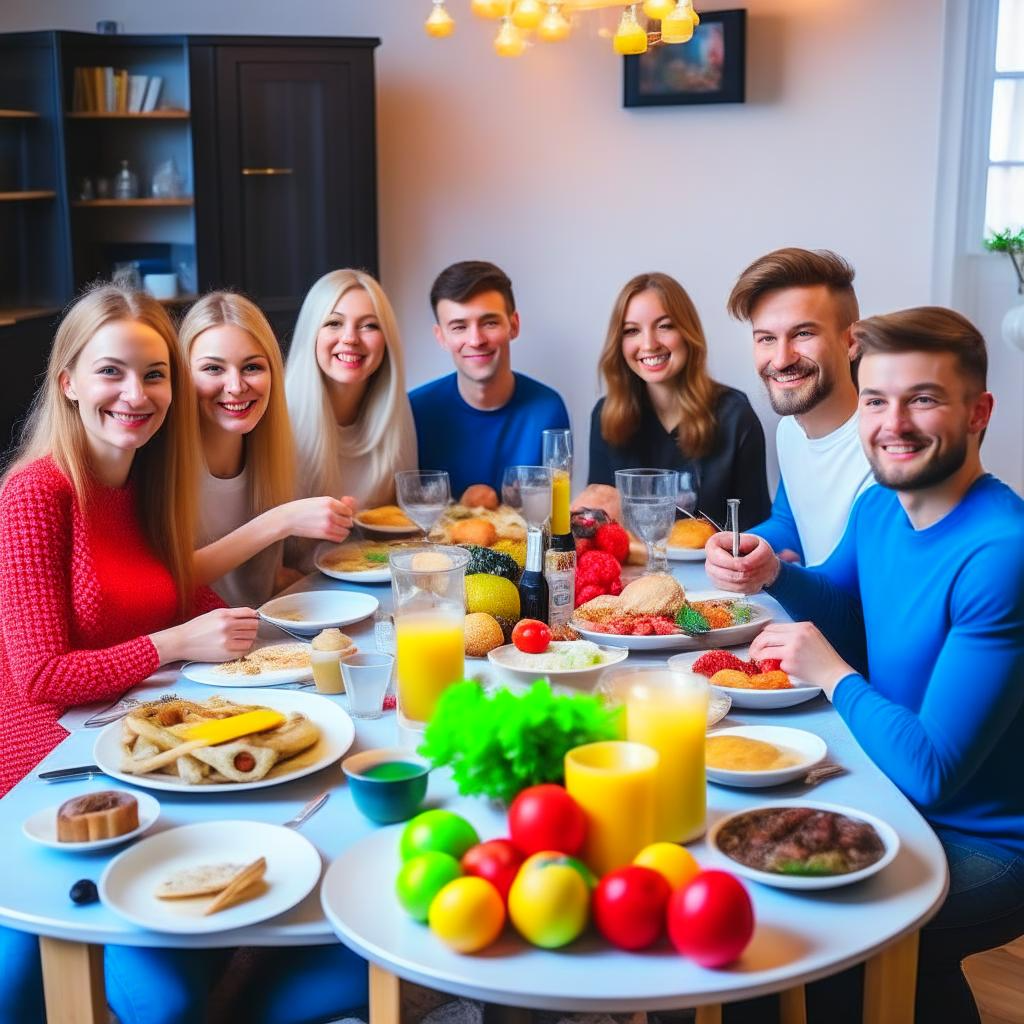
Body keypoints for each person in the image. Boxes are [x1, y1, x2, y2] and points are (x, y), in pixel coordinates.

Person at [710, 307, 1024, 1024]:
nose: (893, 423)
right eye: (877, 400)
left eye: (923, 398)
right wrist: (775, 574)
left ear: (978, 412)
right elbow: (845, 605)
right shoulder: (883, 505)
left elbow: (932, 768)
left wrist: (828, 670)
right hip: (896, 795)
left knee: (811, 938)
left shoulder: (1002, 553)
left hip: (992, 842)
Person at [0, 284, 259, 1024]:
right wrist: (174, 646)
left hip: (128, 739)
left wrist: (273, 644)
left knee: (168, 997)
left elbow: (177, 600)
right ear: (69, 382)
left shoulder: (144, 480)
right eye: (111, 371)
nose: (135, 394)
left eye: (154, 374)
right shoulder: (36, 493)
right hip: (40, 774)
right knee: (21, 999)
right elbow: (43, 676)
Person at [180, 292, 356, 606]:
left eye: (252, 367)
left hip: (260, 638)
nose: (235, 386)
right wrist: (282, 521)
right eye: (213, 369)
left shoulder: (273, 453)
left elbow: (266, 581)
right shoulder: (164, 465)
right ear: (183, 376)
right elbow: (169, 581)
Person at [587, 271, 770, 530]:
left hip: (714, 570)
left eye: (664, 326)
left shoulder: (735, 416)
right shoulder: (605, 416)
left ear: (687, 332)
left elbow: (756, 528)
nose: (648, 344)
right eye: (631, 331)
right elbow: (597, 523)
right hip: (630, 570)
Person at [726, 247, 874, 566]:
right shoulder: (790, 430)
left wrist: (773, 573)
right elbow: (789, 524)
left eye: (803, 333)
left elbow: (855, 595)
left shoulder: (885, 445)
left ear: (851, 342)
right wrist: (738, 548)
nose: (781, 359)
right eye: (766, 339)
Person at [285, 268, 416, 569]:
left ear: (386, 339)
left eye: (368, 326)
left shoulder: (397, 411)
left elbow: (402, 523)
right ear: (311, 334)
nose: (349, 338)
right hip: (292, 593)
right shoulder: (277, 414)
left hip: (369, 580)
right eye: (333, 323)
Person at [410, 260, 570, 497]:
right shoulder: (413, 411)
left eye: (490, 323)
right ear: (441, 336)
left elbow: (555, 514)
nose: (476, 340)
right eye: (459, 327)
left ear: (513, 325)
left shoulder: (548, 408)